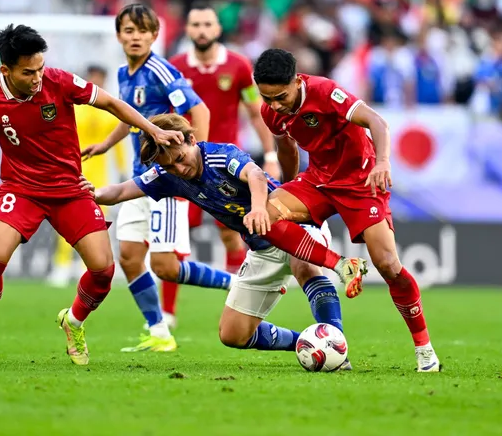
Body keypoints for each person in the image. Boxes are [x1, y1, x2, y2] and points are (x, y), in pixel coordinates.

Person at [0, 24, 183, 366]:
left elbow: (112, 103)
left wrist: (154, 128)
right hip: (21, 190)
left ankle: (74, 322)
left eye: (40, 68)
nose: (38, 77)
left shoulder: (59, 81)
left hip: (70, 189)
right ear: (5, 70)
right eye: (28, 72)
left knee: (103, 270)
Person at [88, 114, 350, 368]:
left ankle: (337, 346)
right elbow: (122, 190)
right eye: (170, 166)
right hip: (261, 247)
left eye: (180, 158)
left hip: (293, 221)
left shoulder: (220, 154)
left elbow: (256, 175)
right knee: (233, 335)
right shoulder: (169, 176)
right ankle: (307, 343)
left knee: (303, 265)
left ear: (190, 139)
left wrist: (259, 208)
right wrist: (93, 193)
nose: (179, 169)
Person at [253, 48, 440, 372]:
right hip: (318, 181)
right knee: (264, 215)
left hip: (360, 183)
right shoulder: (272, 112)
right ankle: (341, 265)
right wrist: (288, 186)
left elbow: (376, 121)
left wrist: (382, 162)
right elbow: (286, 146)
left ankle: (424, 349)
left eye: (280, 96)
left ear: (297, 81)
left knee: (387, 264)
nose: (275, 105)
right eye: (267, 98)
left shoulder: (325, 92)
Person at [82, 4, 238, 352]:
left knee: (166, 266)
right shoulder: (125, 73)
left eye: (142, 31)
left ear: (155, 35)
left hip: (166, 180)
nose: (135, 37)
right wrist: (107, 144)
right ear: (119, 35)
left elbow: (199, 110)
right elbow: (130, 115)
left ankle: (239, 283)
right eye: (129, 31)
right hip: (140, 178)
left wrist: (198, 163)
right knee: (129, 258)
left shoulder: (161, 71)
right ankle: (159, 332)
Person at [162, 1, 281, 321]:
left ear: (217, 29)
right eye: (195, 24)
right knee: (175, 235)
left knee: (232, 233)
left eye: (207, 24)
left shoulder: (240, 66)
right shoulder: (174, 67)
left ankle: (240, 294)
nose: (201, 30)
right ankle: (167, 314)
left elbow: (257, 114)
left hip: (226, 165)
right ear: (187, 30)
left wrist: (270, 156)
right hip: (184, 165)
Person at [47, 65, 128, 287]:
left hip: (99, 174)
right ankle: (62, 266)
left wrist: (121, 168)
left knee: (96, 220)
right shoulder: (74, 105)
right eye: (93, 76)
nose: (97, 80)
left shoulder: (108, 109)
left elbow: (117, 143)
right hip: (72, 169)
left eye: (101, 77)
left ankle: (87, 267)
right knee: (65, 218)